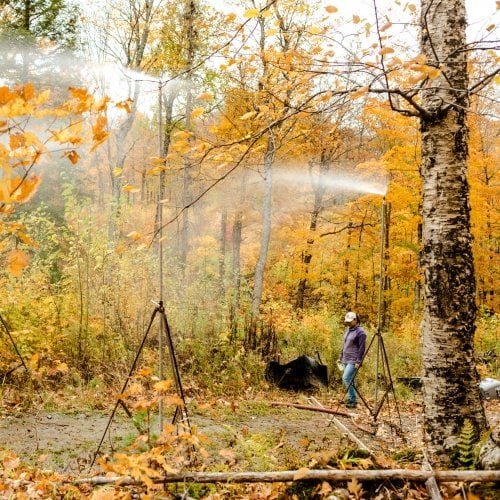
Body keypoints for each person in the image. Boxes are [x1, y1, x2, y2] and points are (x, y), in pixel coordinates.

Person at [338, 311, 366, 408]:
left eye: (350, 322)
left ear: (355, 320)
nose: (348, 323)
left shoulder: (361, 332)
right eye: (347, 322)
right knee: (351, 380)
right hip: (345, 358)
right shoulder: (348, 330)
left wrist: (359, 361)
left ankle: (353, 400)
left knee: (346, 378)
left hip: (354, 360)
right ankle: (351, 399)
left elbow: (362, 348)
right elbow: (345, 344)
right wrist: (340, 357)